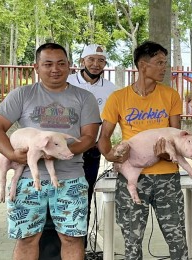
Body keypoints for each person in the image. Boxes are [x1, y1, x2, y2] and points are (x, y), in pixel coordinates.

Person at [0, 43, 101, 260]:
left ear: (70, 66)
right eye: (48, 64)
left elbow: (89, 137)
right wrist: (12, 154)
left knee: (72, 238)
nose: (55, 69)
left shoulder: (84, 97)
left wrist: (60, 152)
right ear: (36, 67)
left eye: (61, 63)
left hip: (71, 179)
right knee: (26, 238)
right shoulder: (22, 95)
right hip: (27, 181)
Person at [97, 41, 188, 259]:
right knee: (132, 239)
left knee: (177, 238)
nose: (164, 67)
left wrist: (168, 153)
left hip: (166, 177)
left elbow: (177, 136)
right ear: (143, 65)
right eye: (159, 62)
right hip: (132, 178)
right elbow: (104, 137)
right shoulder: (118, 98)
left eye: (165, 62)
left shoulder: (171, 96)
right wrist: (111, 156)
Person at [67, 43, 117, 247]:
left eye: (101, 61)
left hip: (92, 151)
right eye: (91, 60)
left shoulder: (111, 90)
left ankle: (80, 246)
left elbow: (110, 121)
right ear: (82, 61)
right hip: (65, 149)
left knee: (84, 196)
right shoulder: (67, 82)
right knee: (59, 194)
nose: (96, 64)